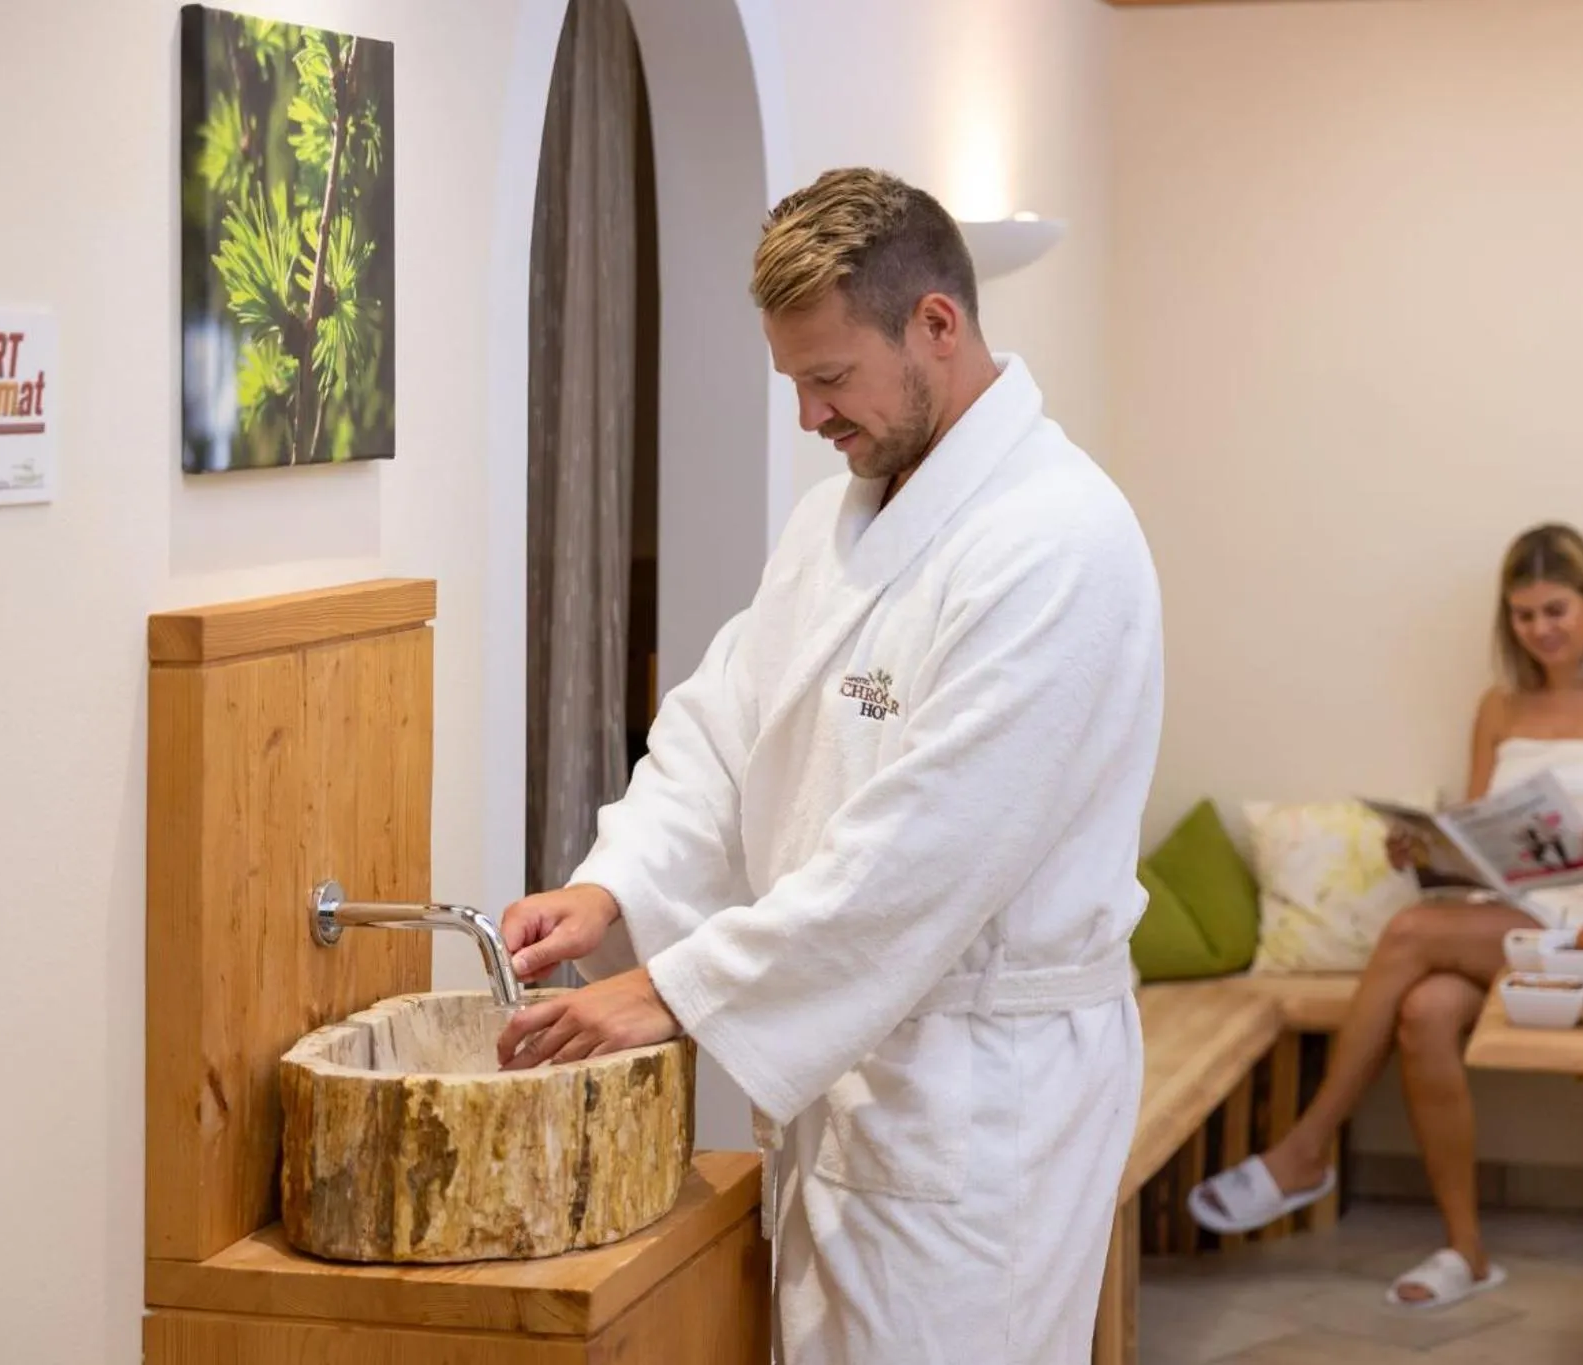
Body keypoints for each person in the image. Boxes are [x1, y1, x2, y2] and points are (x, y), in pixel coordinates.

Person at [494, 167, 1165, 1364]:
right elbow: (723, 725)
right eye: (793, 383)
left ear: (936, 326)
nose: (810, 418)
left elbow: (919, 856)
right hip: (852, 1072)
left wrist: (670, 991)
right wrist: (618, 886)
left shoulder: (1056, 544)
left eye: (828, 378)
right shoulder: (836, 519)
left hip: (978, 1102)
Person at [1186, 522, 1583, 1310]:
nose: (1542, 630)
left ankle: (1303, 1147)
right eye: (1525, 615)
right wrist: (1427, 851)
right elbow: (1482, 836)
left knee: (1410, 933)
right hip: (1519, 912)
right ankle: (1466, 1250)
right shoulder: (1500, 706)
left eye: (1556, 609)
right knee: (1426, 1011)